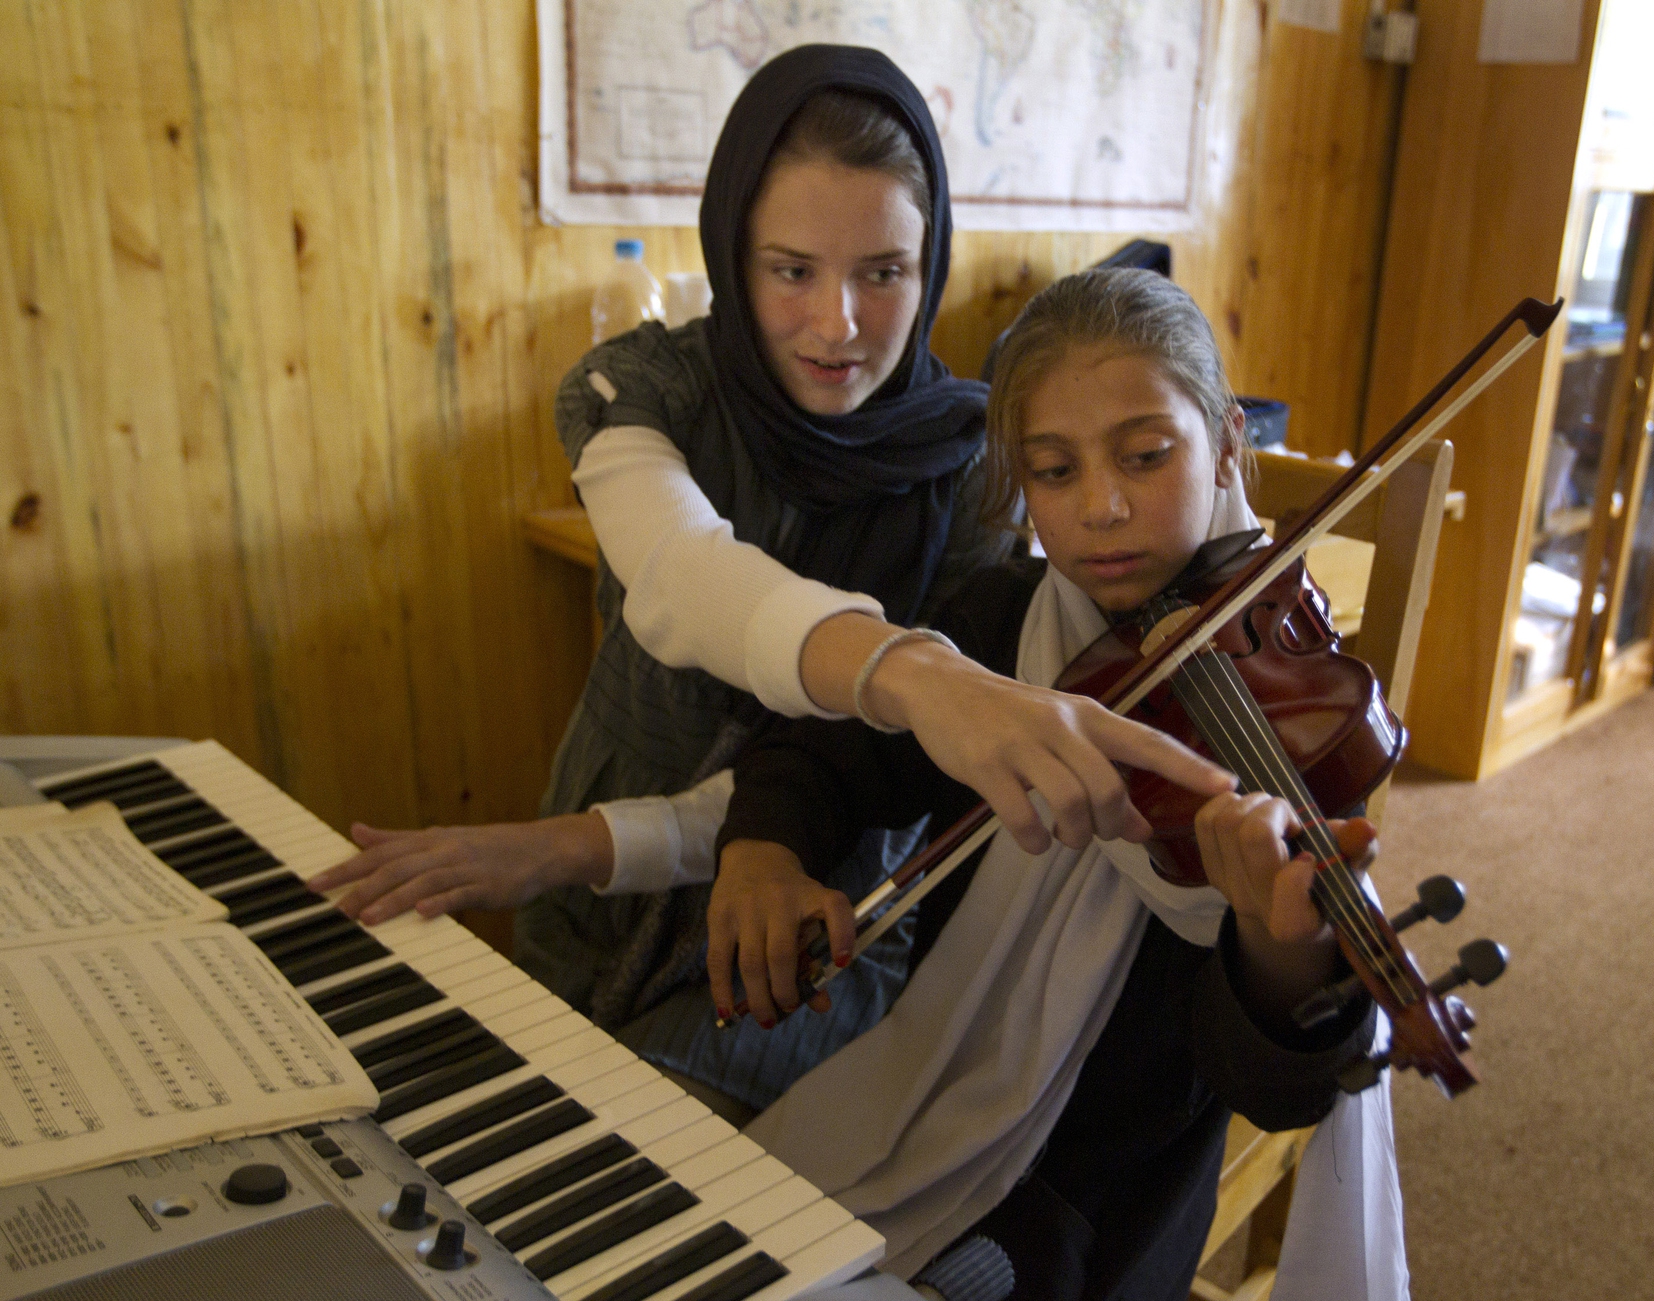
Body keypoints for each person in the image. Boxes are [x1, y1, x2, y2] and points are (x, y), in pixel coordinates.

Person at [312, 47, 1229, 1117]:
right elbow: (682, 575)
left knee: (618, 1141)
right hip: (593, 864)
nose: (837, 324)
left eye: (883, 273)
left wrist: (590, 845)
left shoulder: (971, 460)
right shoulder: (645, 391)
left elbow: (849, 767)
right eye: (792, 270)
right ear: (731, 254)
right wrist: (914, 673)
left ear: (930, 265)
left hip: (817, 891)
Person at [708, 266, 1408, 1301]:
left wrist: (1276, 944)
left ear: (1226, 443)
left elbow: (1281, 1086)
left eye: (1145, 455)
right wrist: (763, 848)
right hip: (929, 1079)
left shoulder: (1292, 715)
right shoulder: (1000, 626)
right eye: (1054, 469)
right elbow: (829, 749)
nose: (1102, 507)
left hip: (1109, 1194)